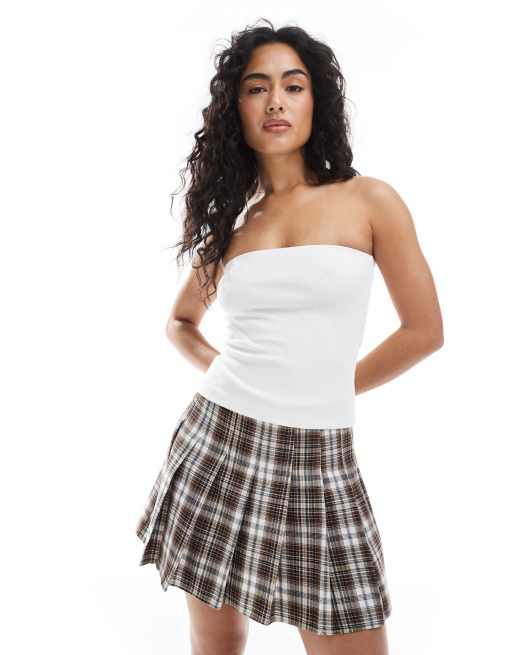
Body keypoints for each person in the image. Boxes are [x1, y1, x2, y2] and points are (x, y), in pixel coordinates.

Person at [135, 19, 444, 655]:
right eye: (257, 88)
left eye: (293, 86)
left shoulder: (370, 200)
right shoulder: (233, 226)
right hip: (216, 446)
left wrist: (330, 386)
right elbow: (180, 322)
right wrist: (232, 371)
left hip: (320, 457)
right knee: (216, 645)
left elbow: (424, 331)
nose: (275, 101)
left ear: (315, 102)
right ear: (237, 110)